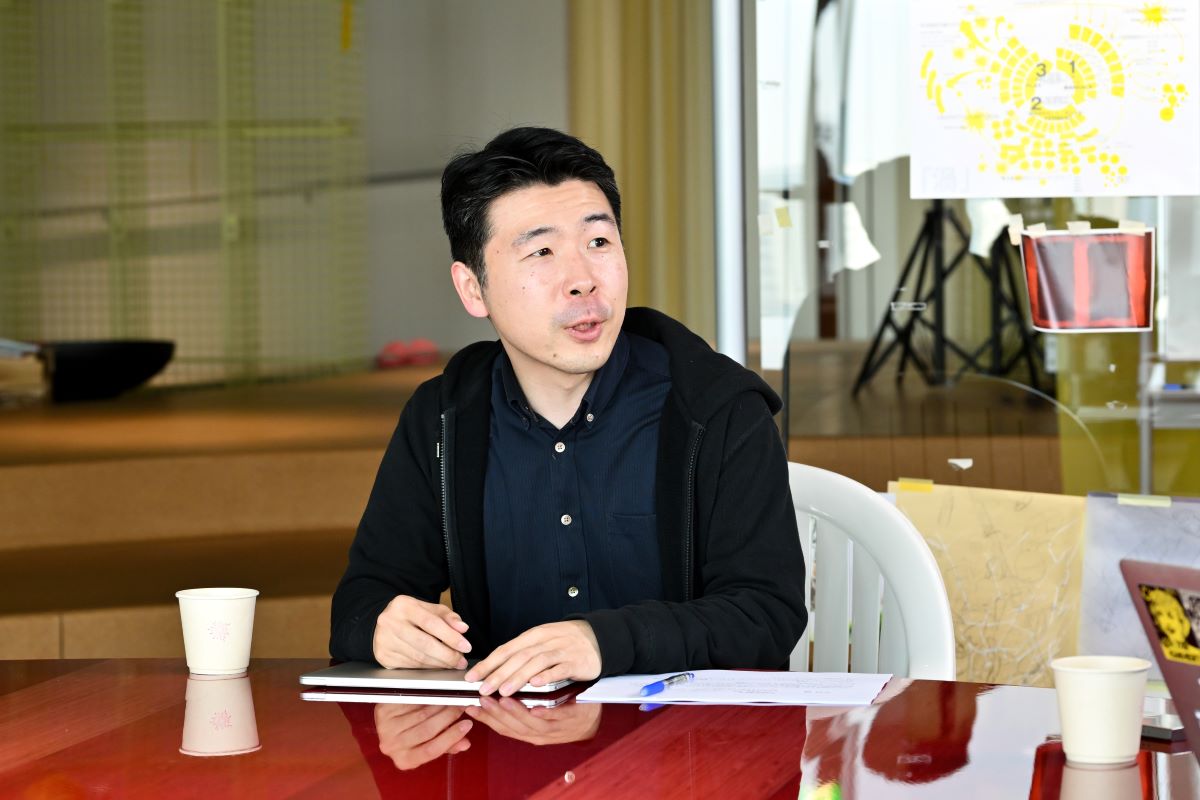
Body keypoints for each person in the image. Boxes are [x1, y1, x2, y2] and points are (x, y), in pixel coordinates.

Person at [330, 126, 807, 695]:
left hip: (686, 740)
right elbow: (363, 599)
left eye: (599, 242)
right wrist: (381, 627)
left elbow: (766, 614)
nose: (583, 280)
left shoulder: (716, 409)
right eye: (541, 252)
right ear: (473, 289)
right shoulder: (443, 418)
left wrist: (602, 641)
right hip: (504, 739)